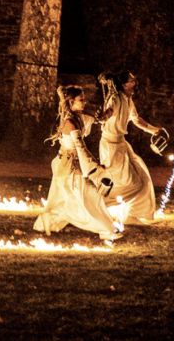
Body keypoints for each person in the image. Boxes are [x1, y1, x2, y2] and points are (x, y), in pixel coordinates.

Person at [33, 85, 123, 242]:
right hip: (68, 166)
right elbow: (81, 148)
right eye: (81, 100)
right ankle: (106, 230)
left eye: (84, 99)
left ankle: (44, 225)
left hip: (70, 164)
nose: (84, 102)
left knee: (63, 199)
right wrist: (95, 167)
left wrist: (107, 111)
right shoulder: (70, 123)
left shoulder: (79, 118)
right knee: (90, 195)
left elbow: (96, 119)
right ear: (71, 102)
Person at [99, 71, 162, 224]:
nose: (135, 83)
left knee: (142, 177)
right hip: (111, 147)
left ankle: (131, 213)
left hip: (121, 145)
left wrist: (155, 130)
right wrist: (103, 117)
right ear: (123, 84)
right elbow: (108, 112)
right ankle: (100, 207)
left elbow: (136, 120)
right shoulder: (115, 98)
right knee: (126, 183)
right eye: (132, 80)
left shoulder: (128, 100)